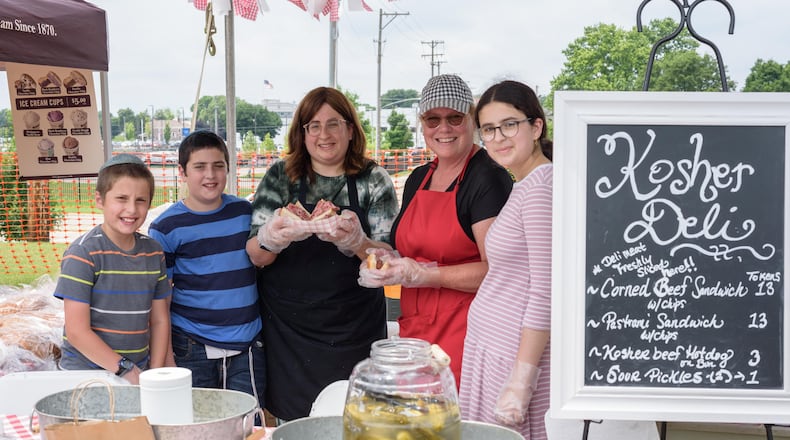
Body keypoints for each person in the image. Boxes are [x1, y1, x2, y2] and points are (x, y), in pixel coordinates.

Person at [245, 86, 399, 421]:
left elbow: (388, 261)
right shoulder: (281, 176)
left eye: (333, 124)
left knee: (356, 421)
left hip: (355, 329)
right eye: (313, 125)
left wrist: (358, 241)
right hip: (291, 334)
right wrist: (272, 237)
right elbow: (256, 255)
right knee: (296, 424)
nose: (323, 134)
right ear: (302, 132)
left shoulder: (374, 180)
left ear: (350, 129)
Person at [358, 74, 514, 387]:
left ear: (471, 119)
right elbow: (409, 252)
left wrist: (425, 275)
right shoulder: (418, 178)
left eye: (454, 118)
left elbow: (497, 271)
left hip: (468, 332)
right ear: (422, 123)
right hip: (417, 331)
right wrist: (373, 251)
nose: (443, 129)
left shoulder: (488, 179)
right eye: (433, 119)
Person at [459, 80, 553, 439]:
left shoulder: (541, 189)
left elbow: (545, 293)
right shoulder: (524, 184)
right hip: (494, 349)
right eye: (488, 130)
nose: (498, 138)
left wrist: (521, 381)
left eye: (509, 124)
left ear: (536, 126)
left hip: (512, 356)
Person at [148, 131, 265, 407]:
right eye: (199, 167)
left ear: (228, 168)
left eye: (218, 166)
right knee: (197, 424)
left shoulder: (245, 213)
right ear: (182, 172)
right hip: (191, 345)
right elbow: (160, 300)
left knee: (246, 423)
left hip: (246, 344)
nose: (210, 175)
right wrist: (166, 358)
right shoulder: (165, 228)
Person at [54, 154, 171, 385]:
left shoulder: (154, 252)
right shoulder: (83, 253)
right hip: (86, 377)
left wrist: (154, 374)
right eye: (121, 198)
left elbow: (159, 320)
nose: (131, 209)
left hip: (137, 373)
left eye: (141, 200)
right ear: (100, 199)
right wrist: (126, 370)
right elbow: (77, 332)